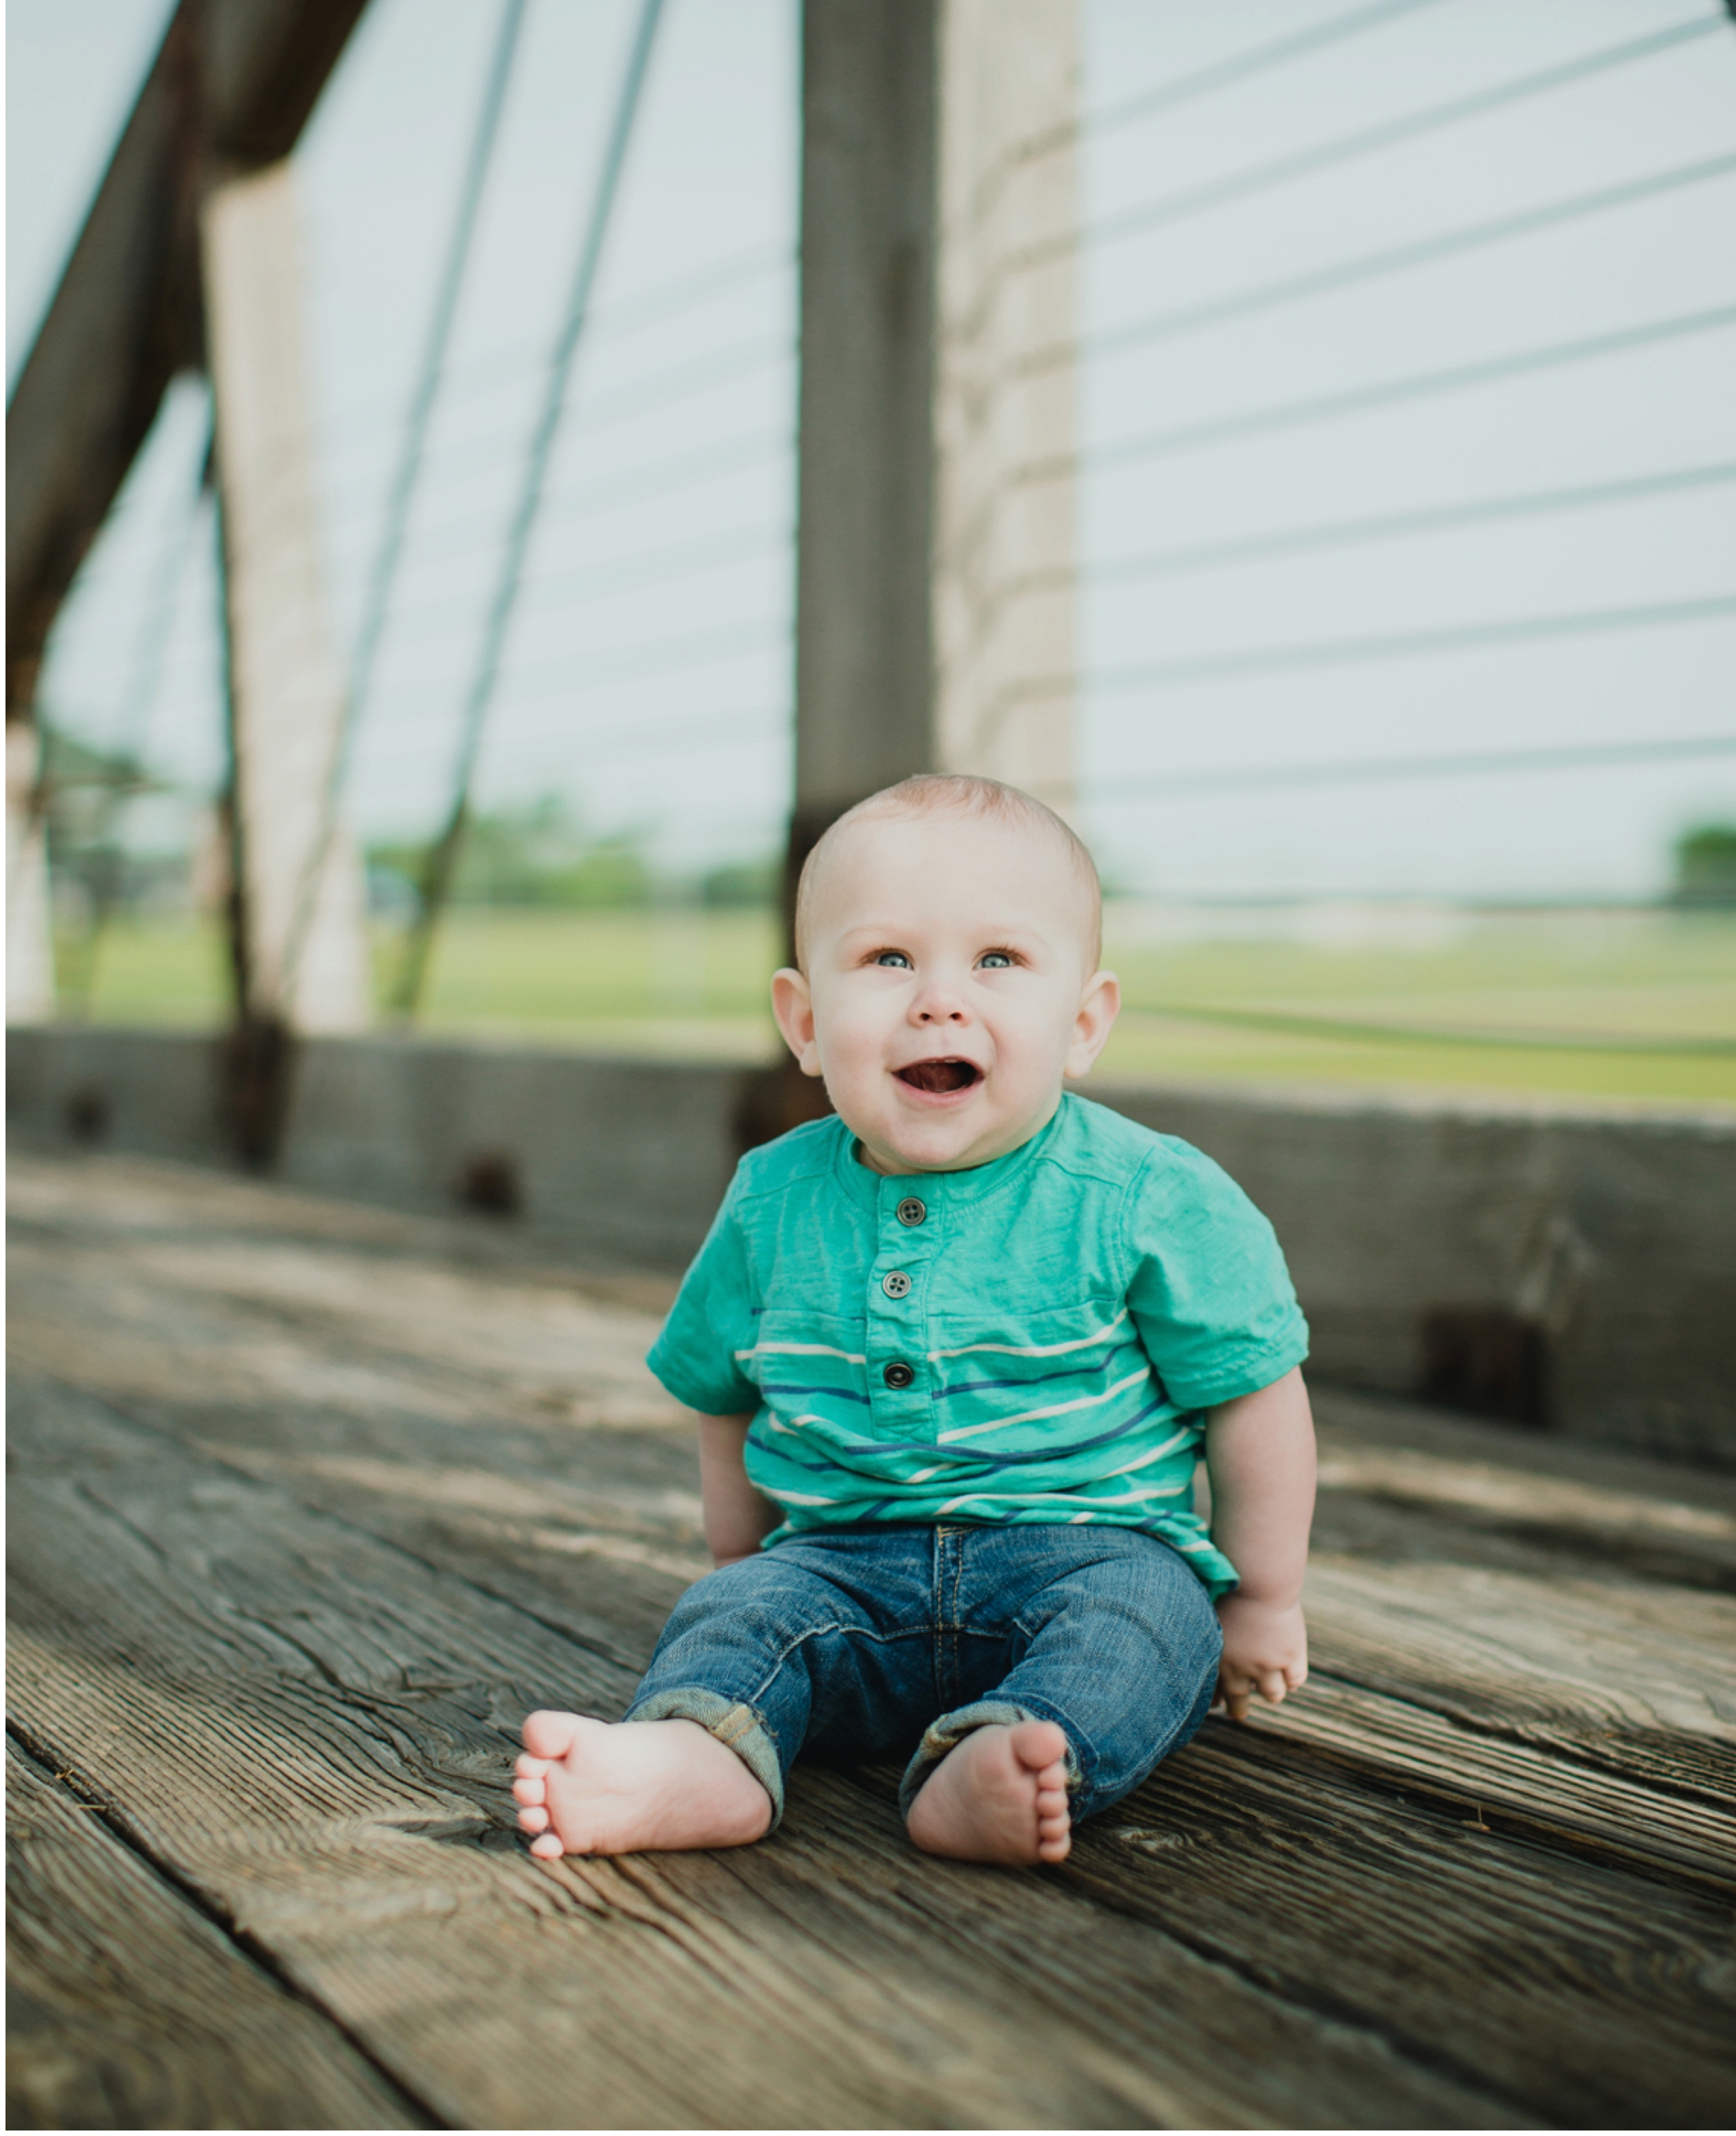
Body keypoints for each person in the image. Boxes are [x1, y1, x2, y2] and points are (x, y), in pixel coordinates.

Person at [514, 774, 1315, 1870]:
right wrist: (744, 1565)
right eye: (887, 960)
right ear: (802, 1022)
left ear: (1082, 1024)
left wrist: (1263, 1596)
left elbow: (1251, 1393)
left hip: (1086, 1554)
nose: (938, 1000)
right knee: (733, 1623)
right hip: (843, 1568)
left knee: (1151, 1626)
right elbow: (724, 1396)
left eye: (997, 961)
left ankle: (1007, 1761)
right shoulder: (771, 1198)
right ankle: (698, 1760)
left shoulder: (1143, 1194)